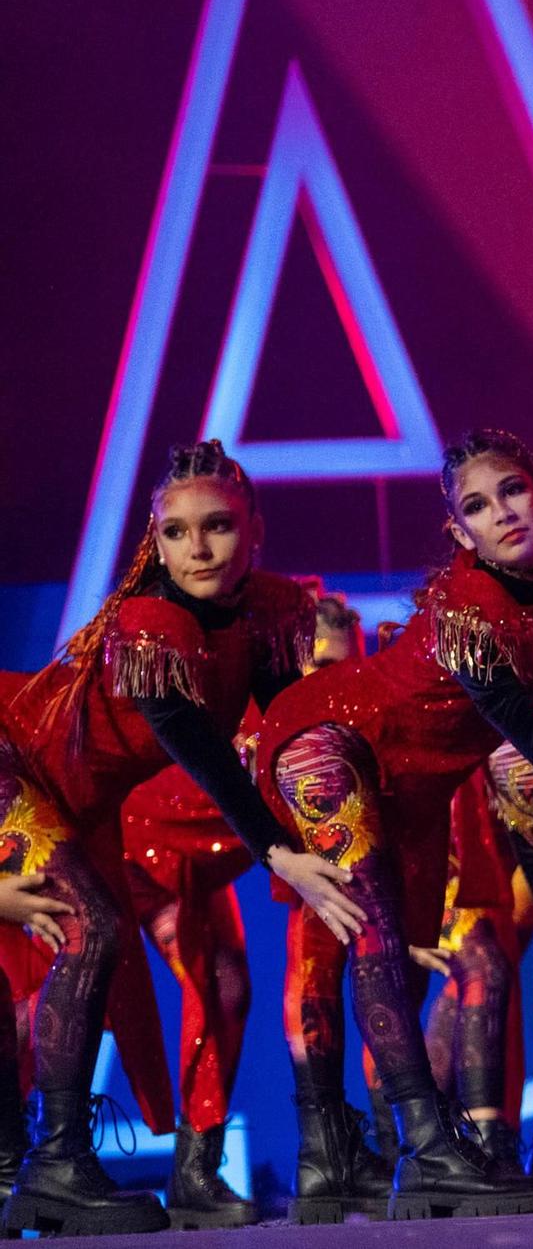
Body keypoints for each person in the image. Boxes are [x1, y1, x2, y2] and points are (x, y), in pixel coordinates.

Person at [258, 428, 533, 1219]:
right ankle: (424, 1150)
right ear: (460, 534)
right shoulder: (468, 604)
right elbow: (515, 716)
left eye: (513, 491)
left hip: (416, 786)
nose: (502, 513)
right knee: (380, 935)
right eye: (477, 507)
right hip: (334, 737)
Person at [0, 441, 348, 1235]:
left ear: (255, 528)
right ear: (152, 542)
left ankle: (45, 1164)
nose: (197, 548)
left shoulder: (267, 612)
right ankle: (52, 1161)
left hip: (73, 805)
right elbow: (202, 750)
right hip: (12, 760)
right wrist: (278, 849)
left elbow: (290, 730)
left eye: (218, 526)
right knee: (89, 934)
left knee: (95, 946)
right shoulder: (149, 621)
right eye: (175, 532)